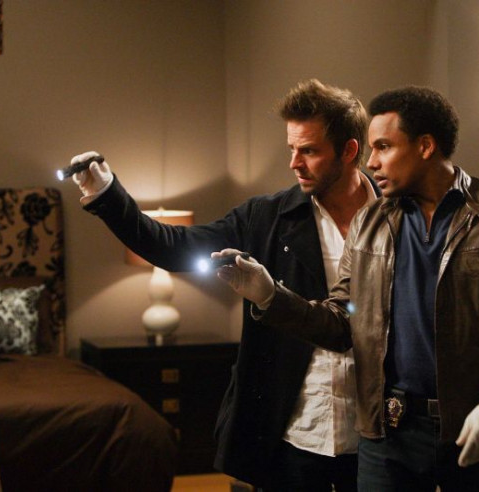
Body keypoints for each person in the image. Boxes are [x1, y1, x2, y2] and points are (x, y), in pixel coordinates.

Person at [215, 85, 479, 491]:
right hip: (389, 437)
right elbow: (341, 323)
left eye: (383, 147)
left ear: (425, 146)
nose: (371, 162)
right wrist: (270, 297)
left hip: (476, 427)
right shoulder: (370, 223)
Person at [71, 79, 379, 491]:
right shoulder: (267, 217)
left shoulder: (397, 217)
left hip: (379, 436)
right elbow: (174, 247)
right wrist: (109, 197)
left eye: (308, 151)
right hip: (296, 433)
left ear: (349, 151)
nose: (294, 163)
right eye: (291, 149)